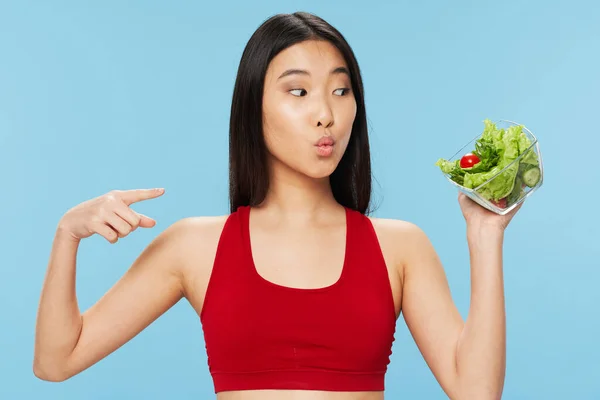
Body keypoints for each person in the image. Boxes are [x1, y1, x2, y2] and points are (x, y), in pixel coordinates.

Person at [33, 11, 521, 400]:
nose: (325, 114)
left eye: (340, 89)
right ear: (253, 107)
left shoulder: (400, 248)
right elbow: (56, 361)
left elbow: (475, 391)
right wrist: (67, 235)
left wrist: (485, 237)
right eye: (298, 91)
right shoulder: (194, 247)